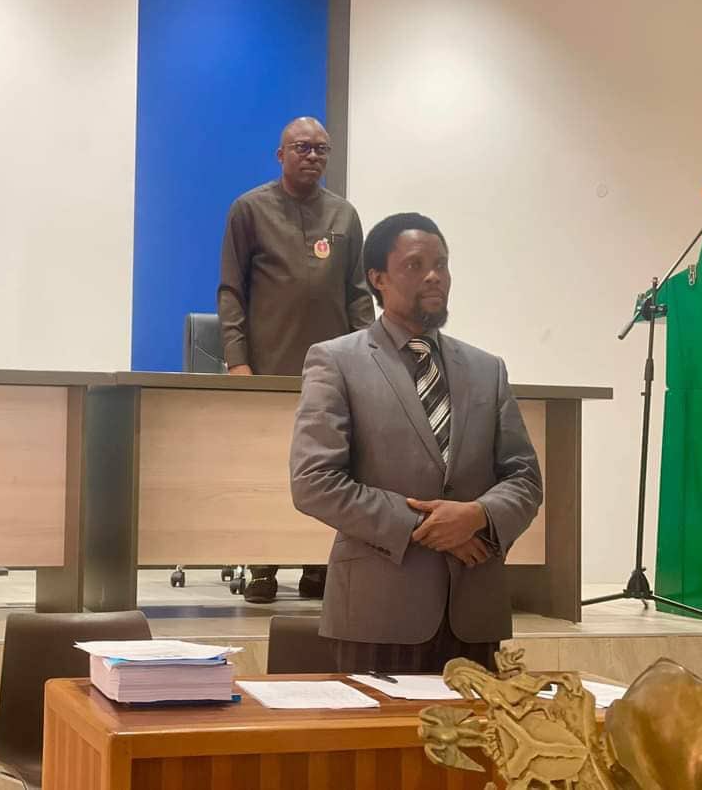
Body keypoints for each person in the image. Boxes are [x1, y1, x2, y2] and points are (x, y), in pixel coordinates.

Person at [289, 212, 542, 673]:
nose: (434, 276)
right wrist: (426, 526)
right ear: (378, 278)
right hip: (377, 614)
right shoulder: (336, 361)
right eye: (415, 265)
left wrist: (477, 516)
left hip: (474, 615)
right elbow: (314, 482)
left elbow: (524, 479)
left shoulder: (488, 369)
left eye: (441, 264)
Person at [217, 116, 375, 603]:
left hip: (335, 371)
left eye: (321, 149)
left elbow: (358, 294)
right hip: (268, 367)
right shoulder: (249, 209)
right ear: (280, 155)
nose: (312, 156)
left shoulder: (345, 216)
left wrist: (373, 359)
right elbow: (231, 291)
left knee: (327, 468)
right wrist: (237, 361)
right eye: (302, 147)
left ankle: (315, 565)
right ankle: (262, 567)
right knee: (267, 469)